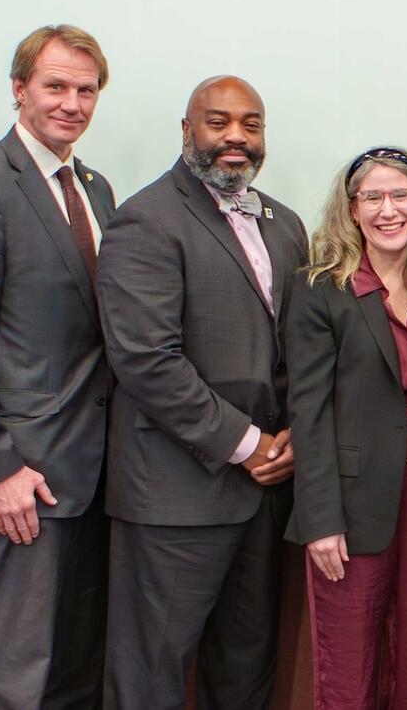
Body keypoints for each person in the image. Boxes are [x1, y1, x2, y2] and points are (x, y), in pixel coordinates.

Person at [97, 75, 308, 709]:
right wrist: (248, 445)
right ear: (187, 131)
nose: (236, 137)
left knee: (245, 671)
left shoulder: (285, 224)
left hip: (266, 493)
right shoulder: (146, 218)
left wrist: (296, 430)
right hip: (175, 495)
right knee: (150, 675)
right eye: (219, 123)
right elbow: (146, 360)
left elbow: (297, 347)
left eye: (252, 124)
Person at [0, 24, 114, 709]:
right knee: (13, 674)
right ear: (19, 89)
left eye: (86, 89)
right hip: (22, 477)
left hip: (94, 474)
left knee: (73, 668)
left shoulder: (95, 189)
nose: (72, 102)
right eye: (55, 86)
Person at [284, 146, 407, 709]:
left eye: (401, 195)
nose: (389, 210)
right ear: (351, 209)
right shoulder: (320, 288)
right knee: (349, 667)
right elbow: (307, 412)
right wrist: (320, 521)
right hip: (352, 507)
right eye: (373, 197)